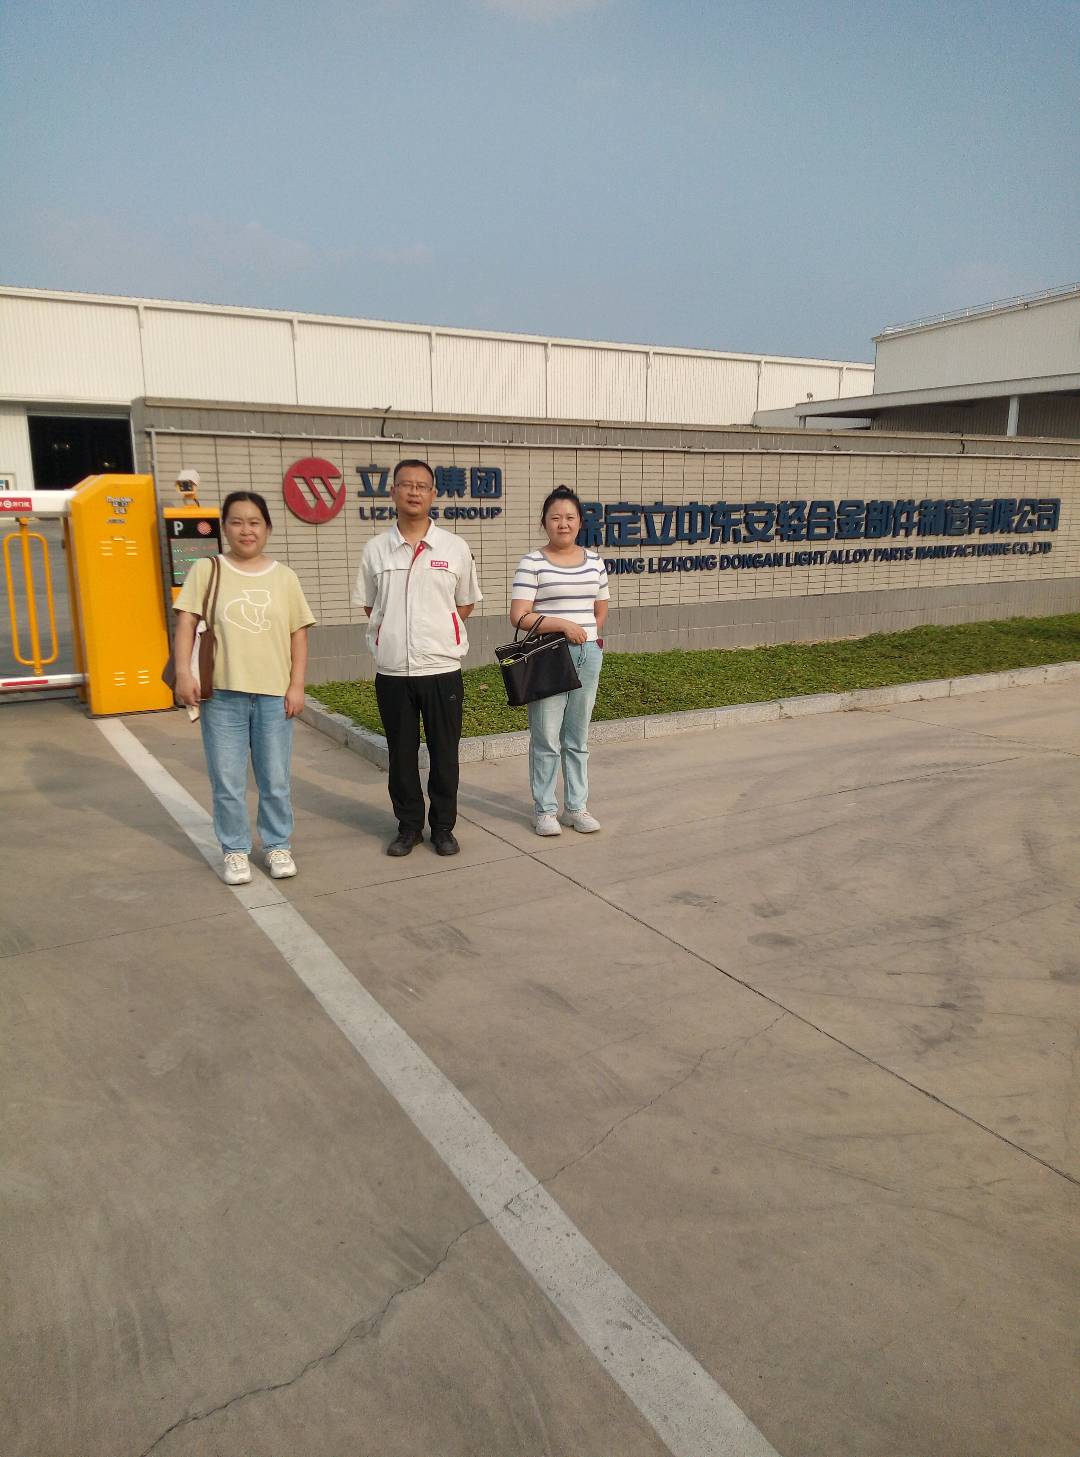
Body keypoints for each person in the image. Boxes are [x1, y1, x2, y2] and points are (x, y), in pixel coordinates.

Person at [173, 491, 315, 885]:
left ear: (267, 528)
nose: (246, 530)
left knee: (275, 779)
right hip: (222, 695)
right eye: (237, 522)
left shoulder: (285, 577)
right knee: (227, 780)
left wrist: (297, 685)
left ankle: (277, 844)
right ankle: (235, 850)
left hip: (273, 695)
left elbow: (299, 634)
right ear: (224, 528)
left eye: (254, 522)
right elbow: (186, 623)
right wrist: (184, 672)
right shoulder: (207, 570)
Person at [353, 459, 481, 857]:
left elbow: (465, 603)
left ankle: (443, 828)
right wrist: (393, 632)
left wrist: (440, 628)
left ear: (433, 494)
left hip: (442, 670)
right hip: (393, 672)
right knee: (401, 755)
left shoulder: (454, 548)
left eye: (422, 486)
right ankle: (408, 827)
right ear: (392, 492)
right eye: (406, 485)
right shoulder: (376, 550)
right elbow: (371, 606)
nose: (413, 492)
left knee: (445, 755)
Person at [510, 485, 609, 836]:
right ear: (545, 523)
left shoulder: (595, 561)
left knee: (577, 737)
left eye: (569, 517)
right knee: (546, 737)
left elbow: (601, 608)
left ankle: (576, 808)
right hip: (548, 657)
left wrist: (588, 637)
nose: (563, 524)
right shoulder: (532, 563)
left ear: (580, 521)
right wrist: (563, 626)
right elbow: (519, 615)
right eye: (555, 517)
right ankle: (545, 810)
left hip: (587, 654)